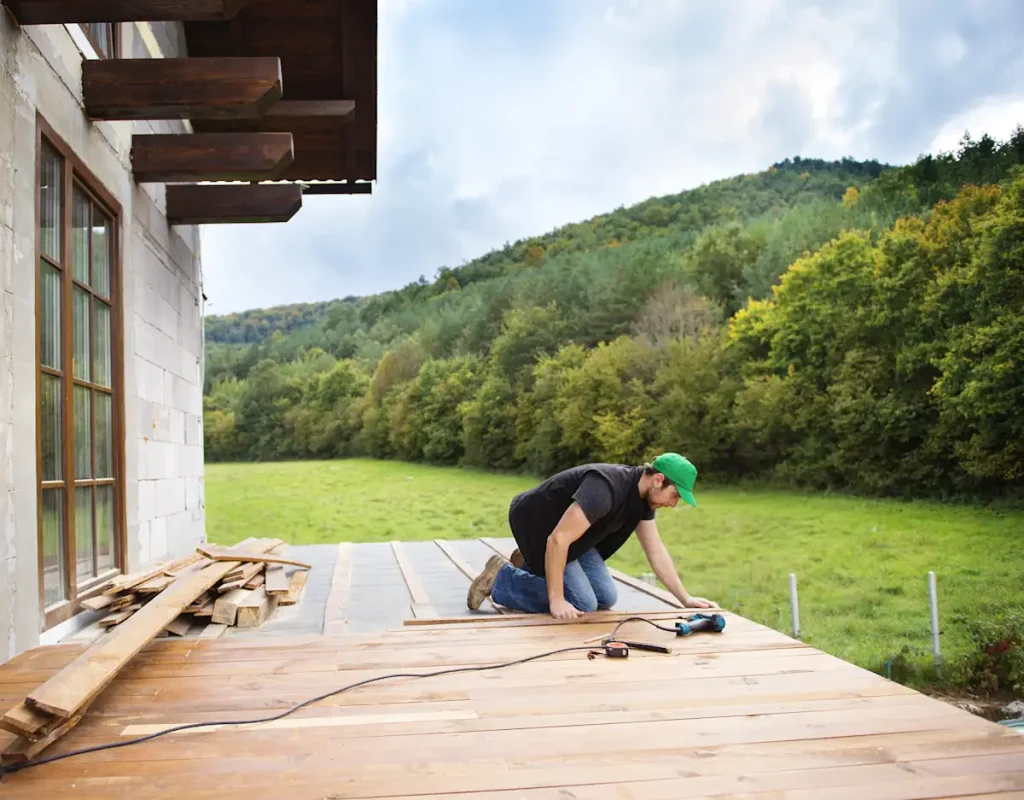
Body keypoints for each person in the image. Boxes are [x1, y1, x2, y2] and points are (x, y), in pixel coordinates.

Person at [467, 452, 716, 619]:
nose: (673, 504)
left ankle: (532, 565)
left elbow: (656, 552)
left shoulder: (643, 502)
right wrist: (555, 600)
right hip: (538, 524)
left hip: (574, 538)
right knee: (582, 603)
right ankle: (502, 578)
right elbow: (557, 539)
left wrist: (685, 599)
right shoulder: (606, 488)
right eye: (674, 496)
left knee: (606, 597)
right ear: (658, 480)